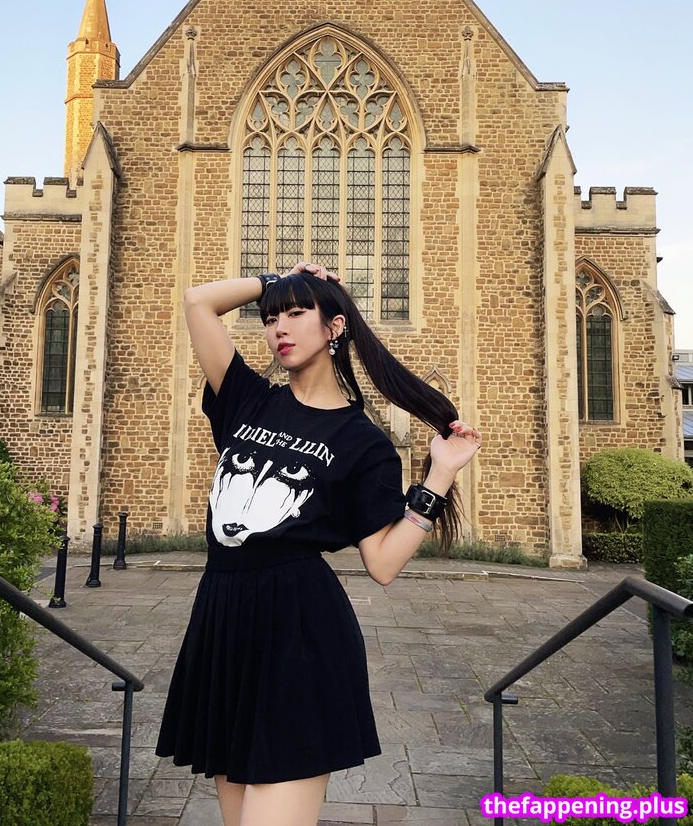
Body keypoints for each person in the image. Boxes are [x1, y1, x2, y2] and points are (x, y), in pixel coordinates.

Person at [154, 262, 481, 826]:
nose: (278, 327)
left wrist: (440, 476)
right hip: (224, 623)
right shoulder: (247, 398)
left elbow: (382, 562)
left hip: (299, 635)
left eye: (296, 313)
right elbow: (198, 301)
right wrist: (278, 279)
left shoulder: (362, 441)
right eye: (270, 318)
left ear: (335, 327)